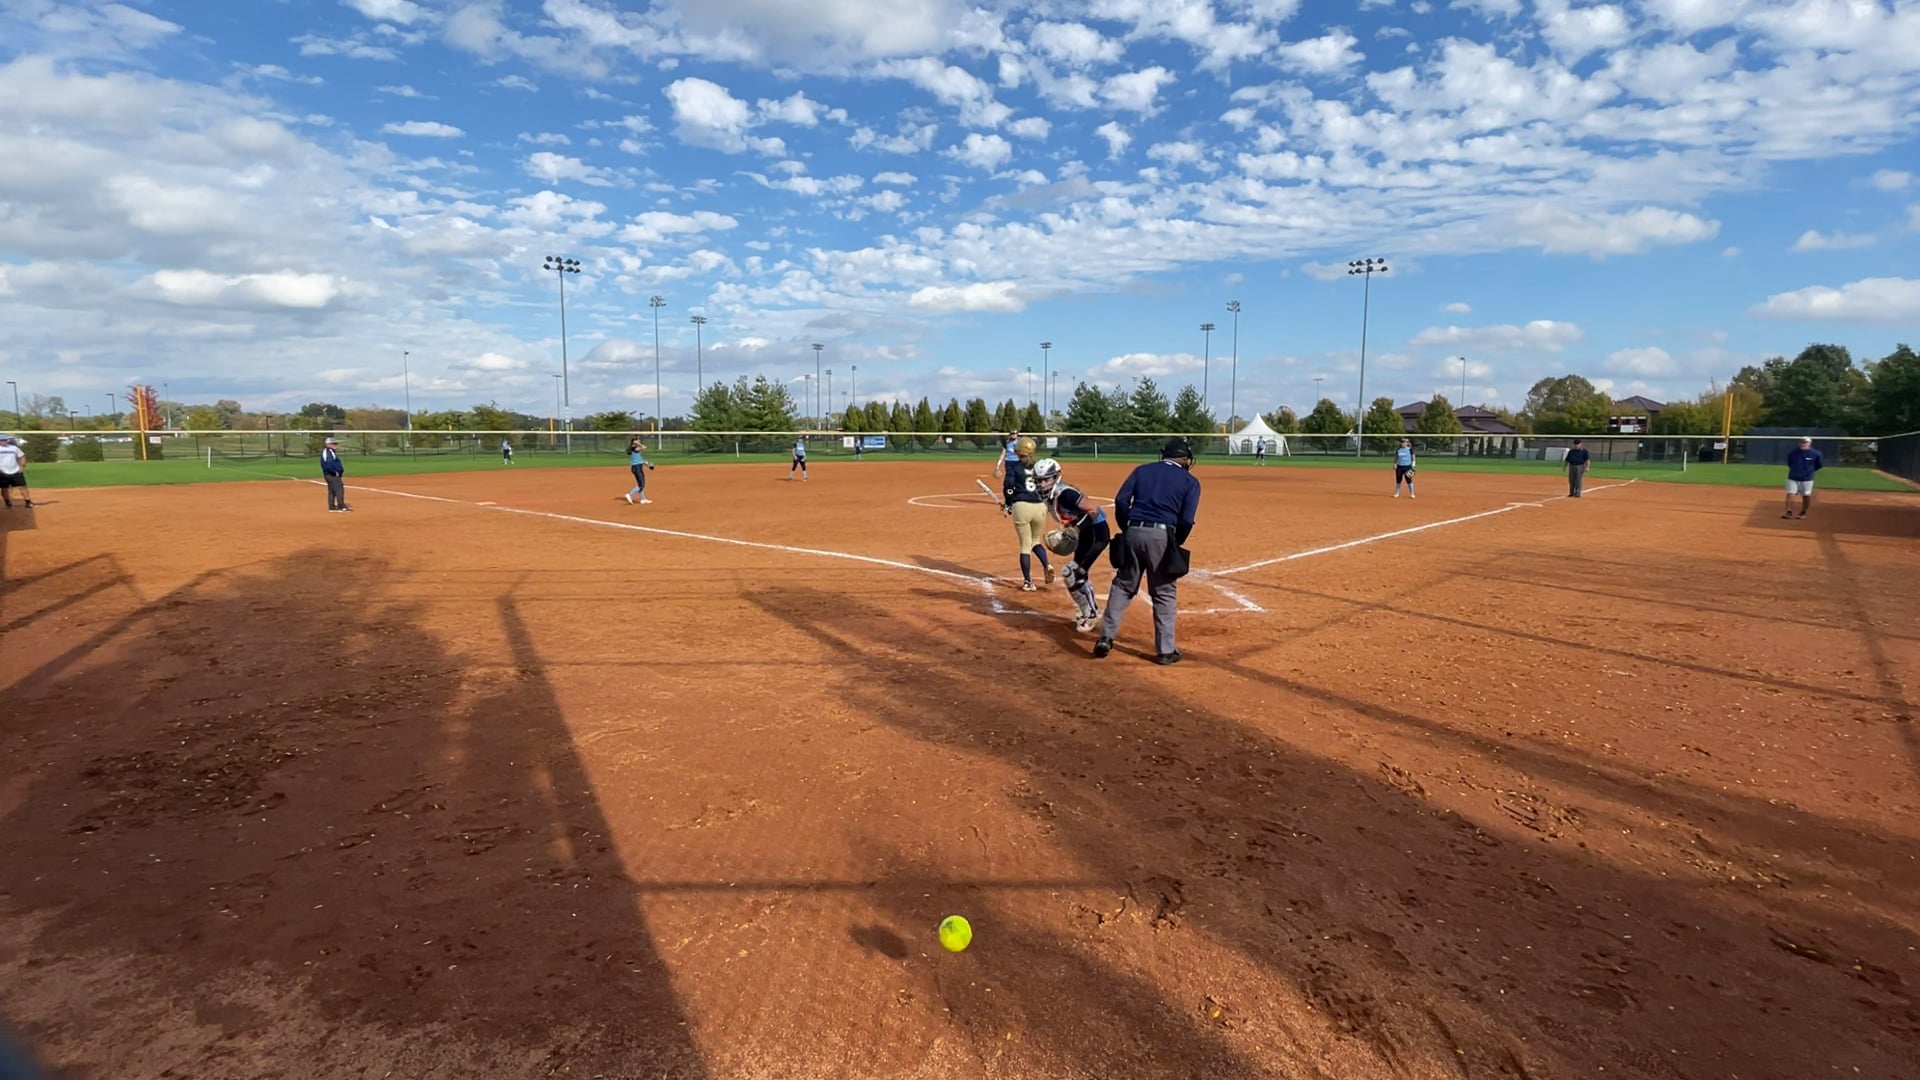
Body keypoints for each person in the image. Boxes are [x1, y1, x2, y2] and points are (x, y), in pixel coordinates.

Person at [1095, 437, 1200, 665]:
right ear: (1185, 459)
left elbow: (1121, 500)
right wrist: (1175, 542)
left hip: (1133, 530)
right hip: (1162, 535)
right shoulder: (1190, 482)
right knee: (1163, 591)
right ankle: (1165, 651)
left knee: (1123, 584)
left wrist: (1127, 527)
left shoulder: (1142, 470)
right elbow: (1186, 520)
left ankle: (1105, 637)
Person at [1034, 457, 1111, 632]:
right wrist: (1070, 529)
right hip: (1086, 534)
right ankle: (1087, 610)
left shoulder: (1066, 494)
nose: (1042, 484)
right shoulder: (1052, 496)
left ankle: (1091, 614)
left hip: (1097, 534)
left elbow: (1093, 509)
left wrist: (1076, 530)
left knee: (1073, 574)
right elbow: (1073, 516)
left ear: (1056, 477)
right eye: (1039, 481)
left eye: (1046, 480)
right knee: (1075, 573)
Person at [1000, 435, 1052, 592]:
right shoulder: (1039, 467)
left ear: (1018, 451)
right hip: (1040, 506)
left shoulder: (1014, 467)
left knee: (1025, 545)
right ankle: (1047, 564)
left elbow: (1009, 488)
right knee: (1035, 540)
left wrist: (1008, 504)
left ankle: (1028, 582)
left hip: (1022, 506)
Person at [1784, 436, 1823, 519]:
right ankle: (1788, 512)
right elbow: (1790, 463)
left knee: (1806, 495)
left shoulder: (1816, 454)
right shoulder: (1793, 453)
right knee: (1790, 494)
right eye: (1801, 442)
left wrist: (1809, 471)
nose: (1803, 444)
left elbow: (1819, 465)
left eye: (1805, 442)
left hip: (1807, 479)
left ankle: (1803, 512)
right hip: (1793, 477)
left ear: (1809, 443)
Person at [0, 436, 35, 510]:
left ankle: (28, 502)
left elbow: (22, 456)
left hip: (15, 470)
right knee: (4, 488)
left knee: (22, 486)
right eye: (2, 440)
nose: (4, 441)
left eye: (5, 440)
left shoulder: (14, 448)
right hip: (2, 472)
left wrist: (22, 466)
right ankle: (8, 503)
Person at [321, 436, 351, 513]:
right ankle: (341, 506)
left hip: (330, 474)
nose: (335, 445)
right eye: (333, 444)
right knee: (339, 489)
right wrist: (334, 472)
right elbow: (328, 464)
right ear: (328, 444)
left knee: (332, 490)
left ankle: (332, 506)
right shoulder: (328, 452)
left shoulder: (330, 452)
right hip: (332, 475)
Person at [623, 438, 655, 505]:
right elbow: (644, 447)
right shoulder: (634, 448)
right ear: (634, 442)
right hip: (636, 468)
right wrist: (637, 443)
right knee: (641, 485)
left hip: (638, 467)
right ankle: (629, 494)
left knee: (641, 483)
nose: (639, 441)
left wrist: (648, 464)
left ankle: (643, 499)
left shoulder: (636, 448)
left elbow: (640, 459)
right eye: (638, 440)